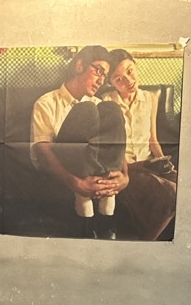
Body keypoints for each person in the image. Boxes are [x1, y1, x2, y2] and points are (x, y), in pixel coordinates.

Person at [30, 46, 127, 237]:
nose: (101, 80)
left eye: (105, 76)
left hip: (98, 177)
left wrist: (125, 176)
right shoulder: (47, 103)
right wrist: (75, 183)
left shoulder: (101, 105)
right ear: (80, 65)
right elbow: (42, 151)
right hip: (64, 178)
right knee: (86, 110)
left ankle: (107, 215)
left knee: (112, 109)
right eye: (98, 71)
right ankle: (84, 213)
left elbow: (115, 146)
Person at [101, 49, 178, 241]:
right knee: (172, 193)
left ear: (135, 65)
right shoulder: (106, 102)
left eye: (130, 71)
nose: (128, 81)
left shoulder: (150, 98)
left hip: (150, 164)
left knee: (187, 187)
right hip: (127, 168)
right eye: (118, 79)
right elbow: (109, 148)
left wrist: (165, 163)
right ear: (111, 83)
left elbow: (153, 138)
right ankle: (146, 242)